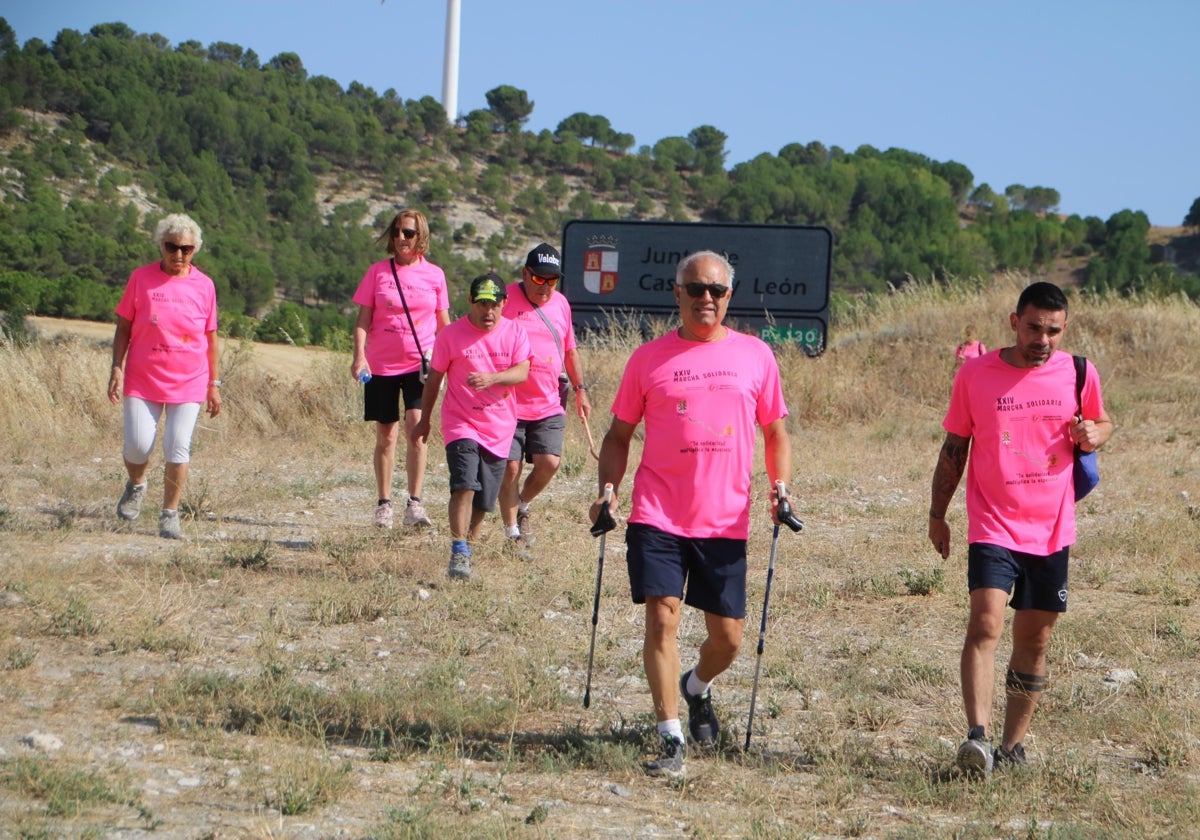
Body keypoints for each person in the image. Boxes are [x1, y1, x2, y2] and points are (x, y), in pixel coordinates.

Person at [589, 250, 794, 778]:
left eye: (717, 291)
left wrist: (780, 488)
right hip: (657, 513)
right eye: (697, 289)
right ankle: (670, 736)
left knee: (728, 638)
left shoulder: (756, 357)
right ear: (677, 293)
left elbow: (775, 434)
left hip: (724, 520)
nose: (707, 299)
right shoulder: (647, 359)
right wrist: (609, 489)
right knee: (661, 619)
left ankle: (696, 685)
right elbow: (617, 436)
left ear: (730, 296)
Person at [928, 281, 1113, 775]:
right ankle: (977, 739)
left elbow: (1101, 421)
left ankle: (1012, 749)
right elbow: (954, 449)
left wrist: (1097, 433)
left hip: (1051, 528)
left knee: (1034, 641)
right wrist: (937, 513)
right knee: (985, 623)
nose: (1043, 339)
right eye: (1034, 328)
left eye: (1053, 331)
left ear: (1064, 329)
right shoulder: (975, 375)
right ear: (1014, 322)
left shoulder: (1078, 372)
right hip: (992, 521)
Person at [108, 213, 221, 540]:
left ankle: (169, 515)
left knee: (177, 445)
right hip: (142, 378)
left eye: (186, 248)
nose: (179, 254)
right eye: (172, 247)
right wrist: (116, 366)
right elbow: (124, 326)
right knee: (139, 445)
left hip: (190, 380)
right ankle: (137, 484)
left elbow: (211, 337)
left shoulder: (205, 286)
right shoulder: (140, 279)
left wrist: (214, 384)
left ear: (195, 249)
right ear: (161, 245)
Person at [411, 272, 531, 580]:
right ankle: (459, 549)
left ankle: (468, 551)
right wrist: (424, 420)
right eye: (481, 304)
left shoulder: (515, 333)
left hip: (499, 427)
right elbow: (434, 380)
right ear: (470, 302)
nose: (487, 311)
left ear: (504, 303)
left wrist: (492, 379)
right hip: (460, 422)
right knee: (464, 483)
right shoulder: (450, 335)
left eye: (493, 304)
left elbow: (522, 372)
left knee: (485, 499)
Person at [351, 209, 450, 530]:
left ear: (420, 236)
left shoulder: (435, 275)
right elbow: (363, 320)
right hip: (380, 365)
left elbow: (443, 325)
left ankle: (415, 504)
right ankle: (384, 505)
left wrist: (450, 364)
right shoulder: (377, 273)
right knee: (386, 436)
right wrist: (358, 357)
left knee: (417, 432)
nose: (401, 239)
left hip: (420, 366)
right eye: (396, 232)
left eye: (408, 233)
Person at [499, 243, 592, 552]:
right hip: (508, 401)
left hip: (548, 401)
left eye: (552, 280)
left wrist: (581, 390)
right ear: (525, 274)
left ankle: (522, 504)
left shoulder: (561, 304)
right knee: (510, 467)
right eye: (539, 279)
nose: (545, 287)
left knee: (550, 462)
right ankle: (512, 532)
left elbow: (569, 350)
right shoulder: (506, 299)